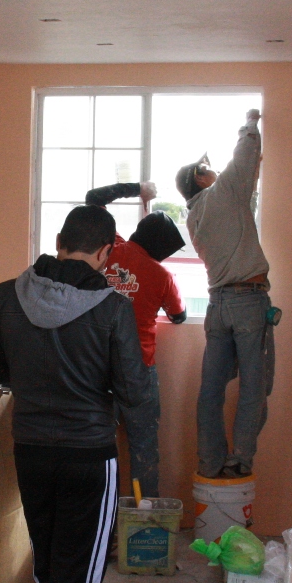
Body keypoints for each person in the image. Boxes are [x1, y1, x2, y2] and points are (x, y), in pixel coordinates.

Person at [0, 204, 148, 583]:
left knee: (52, 570)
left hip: (31, 451)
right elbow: (134, 391)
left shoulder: (6, 296)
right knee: (75, 576)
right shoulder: (112, 308)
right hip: (89, 458)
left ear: (58, 242)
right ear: (106, 252)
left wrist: (31, 376)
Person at [177, 108, 274, 479]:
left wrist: (252, 174)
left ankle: (210, 460)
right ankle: (241, 459)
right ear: (201, 179)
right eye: (207, 167)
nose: (214, 169)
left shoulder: (194, 215)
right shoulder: (222, 194)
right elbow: (245, 155)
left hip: (218, 306)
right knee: (254, 385)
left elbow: (241, 210)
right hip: (248, 302)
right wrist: (250, 123)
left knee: (212, 390)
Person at [83, 181, 188, 498]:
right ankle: (145, 518)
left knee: (95, 446)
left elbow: (93, 198)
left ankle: (99, 515)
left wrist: (139, 189)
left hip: (97, 368)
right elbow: (179, 316)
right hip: (139, 370)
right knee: (143, 448)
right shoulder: (162, 275)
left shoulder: (109, 249)